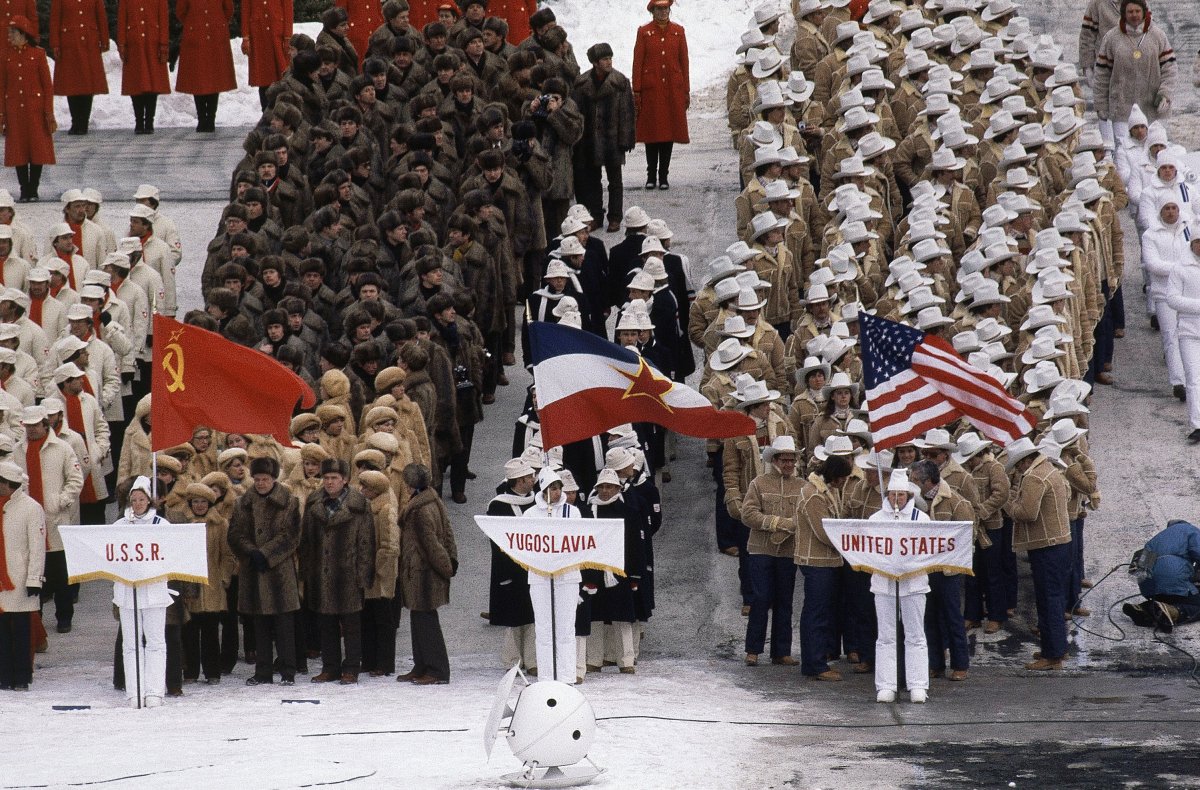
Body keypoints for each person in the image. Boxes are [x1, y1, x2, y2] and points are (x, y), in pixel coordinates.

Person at [227, 455, 302, 685]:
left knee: (284, 627)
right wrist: (251, 552)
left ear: (273, 478)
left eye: (265, 479)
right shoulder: (243, 503)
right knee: (259, 626)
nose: (261, 483)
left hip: (280, 573)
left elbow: (291, 535)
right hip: (254, 571)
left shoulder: (288, 501)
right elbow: (235, 534)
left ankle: (288, 671)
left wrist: (266, 553)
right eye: (257, 479)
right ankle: (263, 671)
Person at [301, 458, 376, 684]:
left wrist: (363, 575)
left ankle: (352, 667)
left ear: (345, 480)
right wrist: (306, 572)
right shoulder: (314, 503)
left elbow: (366, 544)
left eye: (334, 478)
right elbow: (306, 541)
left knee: (351, 624)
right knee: (326, 624)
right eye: (326, 478)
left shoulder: (359, 505)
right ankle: (330, 667)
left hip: (348, 574)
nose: (329, 482)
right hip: (321, 573)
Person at [1004, 438, 1073, 671]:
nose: (1017, 470)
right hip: (1059, 542)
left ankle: (1052, 654)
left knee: (1048, 600)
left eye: (1017, 465)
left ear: (1024, 461)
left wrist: (1009, 504)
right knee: (1053, 598)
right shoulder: (1049, 470)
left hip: (1046, 546)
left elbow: (1027, 512)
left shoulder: (1034, 477)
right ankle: (1055, 648)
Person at [738, 435, 802, 667]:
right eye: (784, 460)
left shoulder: (802, 486)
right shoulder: (759, 483)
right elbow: (748, 514)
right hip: (760, 550)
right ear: (774, 459)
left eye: (791, 460)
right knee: (761, 598)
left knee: (785, 601)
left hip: (787, 552)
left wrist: (791, 526)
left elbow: (805, 516)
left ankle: (781, 651)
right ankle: (753, 650)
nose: (788, 464)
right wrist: (777, 523)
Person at [869, 469, 929, 704]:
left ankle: (918, 685)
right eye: (893, 494)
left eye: (901, 495)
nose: (897, 499)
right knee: (885, 636)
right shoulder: (875, 520)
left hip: (914, 583)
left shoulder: (922, 519)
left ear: (909, 495)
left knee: (915, 635)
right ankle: (886, 685)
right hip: (884, 584)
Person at [113, 476, 172, 707]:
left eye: (142, 499)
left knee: (156, 642)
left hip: (155, 591)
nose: (137, 503)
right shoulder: (120, 526)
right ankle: (134, 690)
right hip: (128, 592)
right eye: (134, 499)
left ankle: (155, 691)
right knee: (130, 643)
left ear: (149, 500)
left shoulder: (161, 525)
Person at [397, 463, 457, 684]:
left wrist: (446, 567)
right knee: (419, 618)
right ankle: (422, 664)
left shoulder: (419, 510)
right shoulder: (432, 499)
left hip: (423, 574)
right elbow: (447, 532)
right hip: (423, 573)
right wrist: (452, 559)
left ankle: (436, 669)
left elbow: (431, 545)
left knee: (425, 621)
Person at [523, 467, 581, 683]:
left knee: (566, 628)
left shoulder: (572, 512)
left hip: (567, 577)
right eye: (551, 488)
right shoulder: (530, 514)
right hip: (540, 577)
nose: (556, 492)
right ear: (543, 490)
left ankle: (567, 676)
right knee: (544, 628)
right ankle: (546, 677)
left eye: (558, 488)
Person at [1094, 0, 1177, 146]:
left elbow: (1169, 68)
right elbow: (1102, 75)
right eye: (1130, 12)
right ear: (1124, 14)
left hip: (1151, 108)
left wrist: (1165, 94)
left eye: (1137, 11)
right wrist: (1101, 104)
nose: (1134, 15)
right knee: (1124, 152)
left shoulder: (1158, 35)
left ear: (1144, 12)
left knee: (1153, 151)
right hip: (1122, 109)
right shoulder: (1111, 38)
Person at [574, 42, 636, 233]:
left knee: (615, 181)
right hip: (589, 140)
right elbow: (577, 113)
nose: (609, 62)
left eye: (610, 58)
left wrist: (626, 140)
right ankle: (596, 216)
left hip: (613, 140)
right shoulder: (582, 83)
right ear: (595, 62)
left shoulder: (620, 82)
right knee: (593, 180)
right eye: (604, 59)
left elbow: (627, 113)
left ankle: (615, 217)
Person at [486, 457, 538, 673]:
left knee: (534, 615)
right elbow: (498, 541)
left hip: (534, 567)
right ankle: (513, 661)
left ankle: (534, 660)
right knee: (514, 618)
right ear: (519, 480)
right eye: (529, 477)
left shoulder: (537, 501)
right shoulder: (498, 505)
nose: (533, 480)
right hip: (510, 568)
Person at [632, 0, 690, 190]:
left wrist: (685, 90)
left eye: (666, 8)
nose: (663, 12)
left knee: (668, 133)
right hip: (652, 90)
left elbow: (684, 63)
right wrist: (637, 90)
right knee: (652, 133)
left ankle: (663, 176)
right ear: (652, 11)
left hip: (673, 90)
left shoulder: (678, 31)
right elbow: (638, 63)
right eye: (659, 9)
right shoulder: (644, 32)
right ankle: (650, 175)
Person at [0, 460, 44, 691]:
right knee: (2, 633)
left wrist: (34, 579)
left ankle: (22, 677)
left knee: (20, 631)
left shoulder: (31, 507)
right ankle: (4, 676)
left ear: (8, 484)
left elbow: (36, 547)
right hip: (1, 579)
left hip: (19, 579)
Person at [0, 16, 53, 202]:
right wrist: (2, 115)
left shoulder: (38, 54)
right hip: (15, 110)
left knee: (37, 150)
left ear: (23, 34)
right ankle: (24, 189)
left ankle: (33, 188)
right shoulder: (6, 57)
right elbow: (2, 87)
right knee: (19, 151)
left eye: (13, 33)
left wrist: (48, 112)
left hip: (35, 110)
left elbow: (47, 85)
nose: (10, 37)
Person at [357, 469, 399, 677]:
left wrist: (378, 569)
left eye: (366, 487)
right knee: (368, 618)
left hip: (381, 574)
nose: (362, 490)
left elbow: (390, 545)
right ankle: (369, 659)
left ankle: (384, 663)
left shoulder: (385, 510)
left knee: (383, 620)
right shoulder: (368, 508)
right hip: (369, 570)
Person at [1124, 519, 1200, 631]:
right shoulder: (1190, 530)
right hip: (1172, 575)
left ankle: (1145, 608)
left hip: (1148, 586)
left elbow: (1137, 572)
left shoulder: (1156, 541)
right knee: (1196, 602)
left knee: (1171, 596)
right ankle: (1175, 612)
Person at [175, 0, 237, 133]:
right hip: (196, 36)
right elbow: (181, 11)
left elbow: (228, 9)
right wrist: (194, 23)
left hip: (216, 36)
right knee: (197, 80)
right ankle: (202, 118)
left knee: (215, 80)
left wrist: (217, 23)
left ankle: (211, 119)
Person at [50, 0, 108, 135]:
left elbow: (101, 16)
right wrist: (55, 43)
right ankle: (75, 121)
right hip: (69, 44)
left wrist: (104, 40)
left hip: (90, 42)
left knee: (88, 84)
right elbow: (55, 19)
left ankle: (84, 122)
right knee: (72, 83)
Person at [118, 0, 171, 134]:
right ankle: (139, 121)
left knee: (152, 86)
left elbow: (163, 21)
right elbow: (122, 20)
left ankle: (149, 121)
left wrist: (163, 44)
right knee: (136, 86)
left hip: (153, 44)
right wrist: (122, 43)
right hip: (134, 45)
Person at [1166, 236, 1200, 443]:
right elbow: (1172, 298)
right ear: (1192, 244)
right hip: (1189, 331)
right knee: (1194, 377)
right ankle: (1197, 423)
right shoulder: (1180, 268)